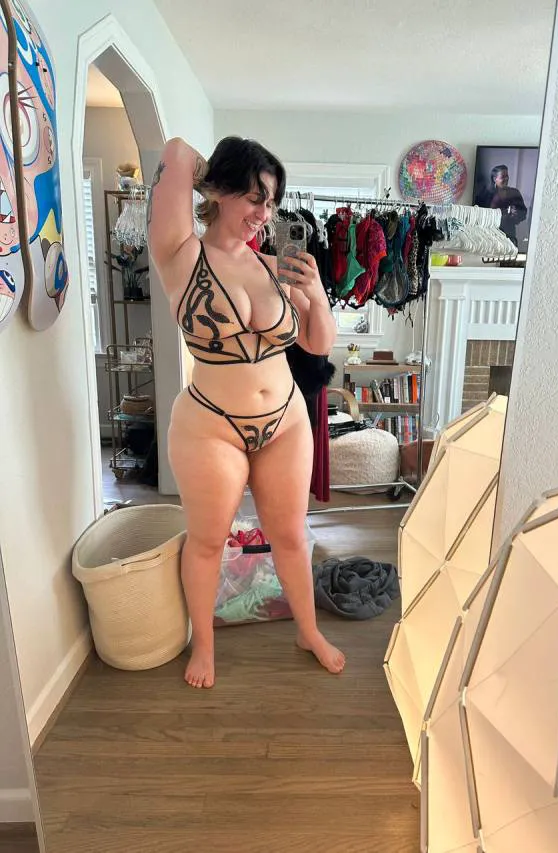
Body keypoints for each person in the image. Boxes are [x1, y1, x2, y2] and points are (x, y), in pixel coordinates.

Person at [147, 136, 345, 688]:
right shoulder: (180, 253)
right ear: (220, 190)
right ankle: (204, 646)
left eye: (271, 202)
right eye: (255, 197)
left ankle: (308, 631)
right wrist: (212, 173)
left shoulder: (272, 266)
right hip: (212, 427)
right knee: (209, 540)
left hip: (286, 421)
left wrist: (317, 295)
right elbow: (176, 151)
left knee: (291, 535)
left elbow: (317, 343)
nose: (264, 213)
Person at [477, 165, 527, 247]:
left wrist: (516, 214)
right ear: (494, 179)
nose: (506, 179)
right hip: (488, 236)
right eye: (503, 177)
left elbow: (523, 214)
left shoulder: (515, 193)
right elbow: (478, 215)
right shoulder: (485, 194)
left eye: (507, 176)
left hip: (509, 236)